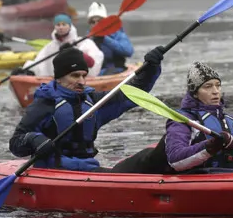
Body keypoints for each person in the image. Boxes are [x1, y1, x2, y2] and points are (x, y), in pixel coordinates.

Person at [9, 45, 165, 171]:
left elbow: (131, 94)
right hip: (55, 169)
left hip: (88, 168)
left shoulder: (93, 101)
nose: (82, 81)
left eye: (84, 75)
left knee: (147, 158)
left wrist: (151, 69)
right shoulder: (45, 104)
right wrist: (35, 139)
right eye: (75, 76)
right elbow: (16, 143)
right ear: (59, 77)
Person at [112, 62, 233, 174]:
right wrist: (210, 146)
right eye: (208, 86)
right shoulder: (183, 121)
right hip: (195, 181)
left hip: (230, 179)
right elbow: (176, 160)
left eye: (218, 85)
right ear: (195, 93)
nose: (215, 91)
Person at [16, 13, 103, 78]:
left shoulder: (84, 43)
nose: (61, 27)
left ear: (70, 26)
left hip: (79, 81)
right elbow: (39, 63)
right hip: (57, 82)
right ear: (55, 27)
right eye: (58, 25)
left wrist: (74, 52)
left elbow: (92, 63)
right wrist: (25, 70)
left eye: (64, 24)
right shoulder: (50, 47)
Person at [87, 1, 133, 75]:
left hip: (116, 69)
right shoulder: (88, 38)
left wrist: (105, 39)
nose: (96, 24)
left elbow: (128, 51)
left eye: (99, 21)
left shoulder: (117, 33)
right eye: (93, 22)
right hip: (95, 72)